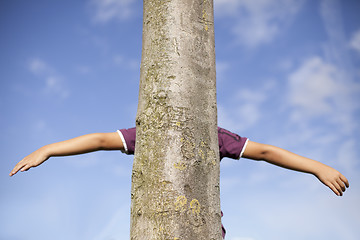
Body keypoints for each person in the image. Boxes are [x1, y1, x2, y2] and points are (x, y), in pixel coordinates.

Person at [9, 126, 349, 238]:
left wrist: (319, 168)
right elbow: (100, 140)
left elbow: (263, 152)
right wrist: (48, 150)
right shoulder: (153, 129)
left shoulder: (211, 133)